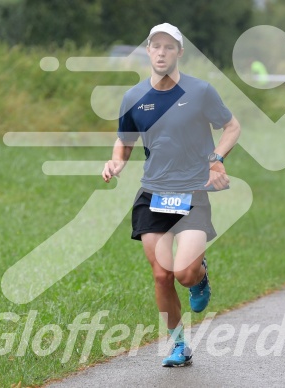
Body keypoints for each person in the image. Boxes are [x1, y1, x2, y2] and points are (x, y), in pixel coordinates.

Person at [102, 22, 241, 367]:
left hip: (193, 193)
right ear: (148, 51)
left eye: (169, 47)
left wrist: (216, 160)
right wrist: (117, 161)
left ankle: (200, 277)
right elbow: (125, 140)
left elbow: (232, 126)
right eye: (155, 46)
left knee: (183, 273)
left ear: (179, 52)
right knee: (161, 274)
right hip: (153, 194)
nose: (161, 52)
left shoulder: (201, 91)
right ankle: (179, 345)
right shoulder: (134, 97)